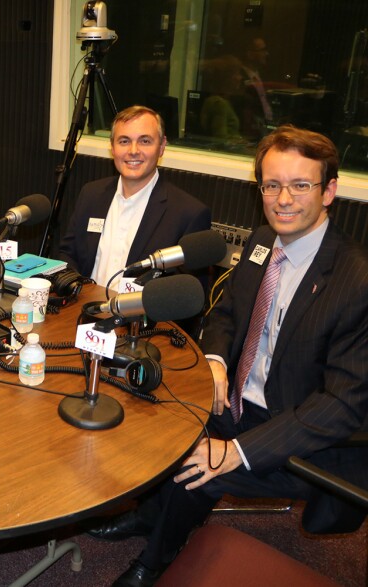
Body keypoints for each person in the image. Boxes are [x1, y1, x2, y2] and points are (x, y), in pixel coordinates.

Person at [90, 125, 368, 587]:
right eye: (272, 184)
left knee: (198, 468)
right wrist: (215, 362)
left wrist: (238, 451)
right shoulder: (262, 241)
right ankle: (148, 516)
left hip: (299, 430)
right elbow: (227, 311)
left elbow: (340, 406)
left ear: (330, 191)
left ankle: (154, 561)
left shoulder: (356, 280)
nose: (283, 199)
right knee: (156, 417)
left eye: (301, 185)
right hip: (235, 399)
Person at [57, 105, 211, 291]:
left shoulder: (188, 214)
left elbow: (188, 293)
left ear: (161, 147)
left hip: (141, 318)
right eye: (124, 141)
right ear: (112, 147)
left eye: (145, 141)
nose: (133, 150)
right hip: (82, 309)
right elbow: (68, 253)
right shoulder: (91, 194)